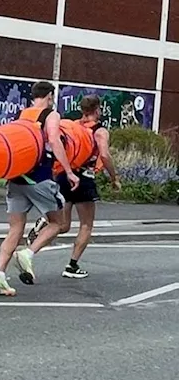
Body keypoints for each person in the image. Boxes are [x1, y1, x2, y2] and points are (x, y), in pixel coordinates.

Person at [0, 81, 78, 296]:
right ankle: (28, 253)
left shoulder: (21, 114)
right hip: (39, 177)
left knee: (15, 228)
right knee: (59, 222)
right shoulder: (50, 114)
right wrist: (69, 170)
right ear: (49, 96)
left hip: (17, 178)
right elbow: (55, 140)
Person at [30, 95, 120, 279]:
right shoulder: (99, 131)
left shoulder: (73, 126)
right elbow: (104, 155)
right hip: (84, 178)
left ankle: (40, 230)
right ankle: (72, 265)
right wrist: (114, 177)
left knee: (62, 225)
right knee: (86, 225)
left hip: (65, 174)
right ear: (97, 110)